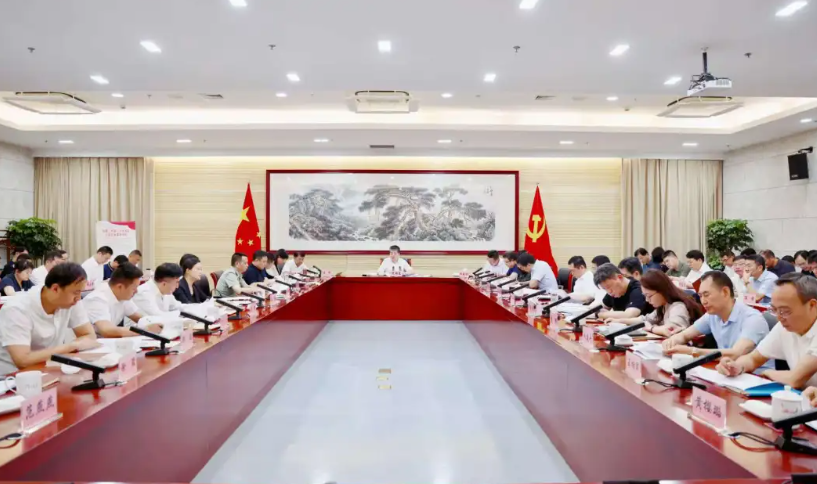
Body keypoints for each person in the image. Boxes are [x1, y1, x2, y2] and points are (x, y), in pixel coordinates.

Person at [717, 273, 817, 387]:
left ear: (812, 305)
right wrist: (736, 366)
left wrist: (767, 372)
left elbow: (795, 379)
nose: (779, 317)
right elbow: (754, 358)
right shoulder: (784, 327)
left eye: (785, 311)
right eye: (774, 309)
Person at [0, 263, 99, 375]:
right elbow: (23, 361)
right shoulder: (17, 309)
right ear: (55, 289)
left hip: (51, 370)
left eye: (81, 292)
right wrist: (71, 346)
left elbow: (89, 335)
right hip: (14, 377)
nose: (78, 298)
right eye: (76, 292)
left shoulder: (71, 301)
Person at [662, 272, 770, 360]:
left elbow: (736, 354)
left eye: (706, 295)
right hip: (727, 372)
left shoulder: (753, 319)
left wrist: (692, 351)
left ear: (725, 292)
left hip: (756, 376)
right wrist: (672, 341)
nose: (703, 301)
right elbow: (684, 335)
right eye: (700, 296)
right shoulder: (712, 315)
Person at [608, 270, 704, 336]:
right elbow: (645, 320)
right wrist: (619, 321)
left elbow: (672, 331)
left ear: (662, 290)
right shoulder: (663, 306)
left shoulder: (678, 306)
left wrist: (652, 328)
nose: (647, 300)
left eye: (649, 296)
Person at [84, 263, 156, 337]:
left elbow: (139, 318)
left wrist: (154, 324)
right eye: (134, 288)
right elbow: (107, 331)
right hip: (92, 341)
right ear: (120, 287)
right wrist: (145, 330)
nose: (136, 291)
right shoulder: (97, 299)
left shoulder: (123, 296)